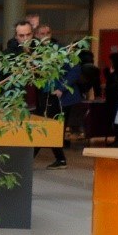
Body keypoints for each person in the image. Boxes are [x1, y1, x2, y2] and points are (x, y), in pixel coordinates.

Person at [33, 23, 79, 169]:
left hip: (59, 97)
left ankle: (35, 158)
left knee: (49, 126)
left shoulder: (61, 51)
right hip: (46, 95)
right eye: (42, 33)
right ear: (36, 35)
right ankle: (60, 159)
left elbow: (75, 70)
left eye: (48, 32)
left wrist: (61, 88)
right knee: (49, 126)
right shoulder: (36, 53)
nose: (45, 35)